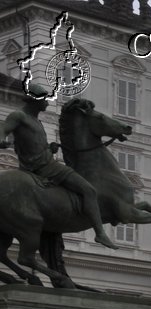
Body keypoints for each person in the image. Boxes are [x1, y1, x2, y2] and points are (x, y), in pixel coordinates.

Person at [0, 82, 118, 249]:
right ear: (34, 101)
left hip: (45, 162)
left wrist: (49, 148)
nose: (48, 102)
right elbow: (4, 128)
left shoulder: (36, 121)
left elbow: (33, 145)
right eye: (45, 99)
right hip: (45, 167)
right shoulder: (18, 116)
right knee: (89, 190)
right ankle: (100, 234)